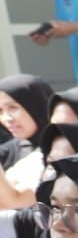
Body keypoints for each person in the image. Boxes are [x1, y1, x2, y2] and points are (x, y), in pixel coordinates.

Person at [0, 74, 54, 210]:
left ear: (35, 105)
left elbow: (13, 202)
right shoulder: (13, 148)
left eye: (13, 107)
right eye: (0, 111)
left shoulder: (60, 149)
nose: (7, 118)